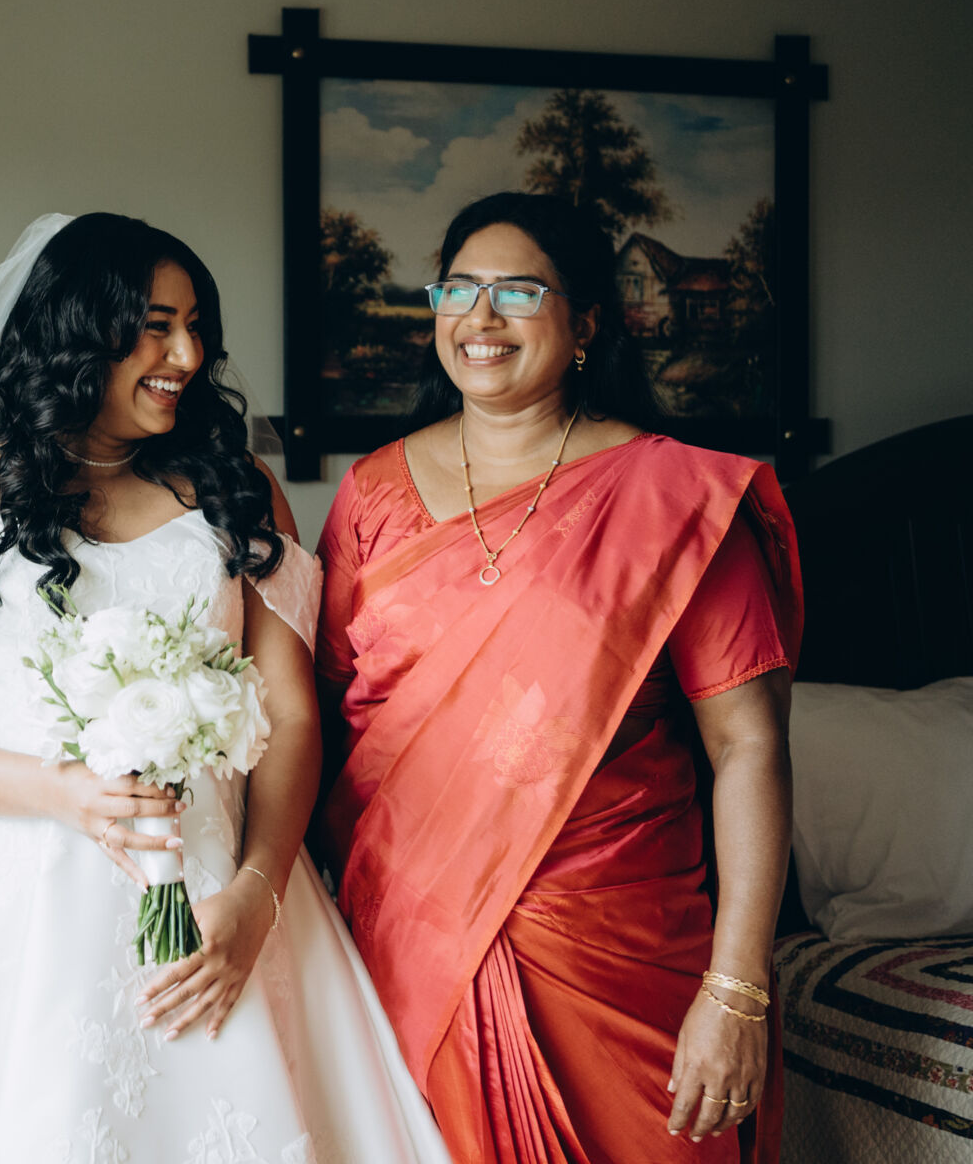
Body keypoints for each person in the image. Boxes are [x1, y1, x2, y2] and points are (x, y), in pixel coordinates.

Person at [0, 213, 450, 1163]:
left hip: (223, 881)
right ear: (75, 332)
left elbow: (291, 714)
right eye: (154, 326)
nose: (186, 356)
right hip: (12, 901)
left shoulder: (238, 491)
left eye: (196, 328)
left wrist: (257, 895)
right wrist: (60, 791)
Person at [314, 192, 801, 1164]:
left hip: (616, 948)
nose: (479, 317)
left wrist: (737, 987)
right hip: (411, 948)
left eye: (517, 291)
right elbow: (321, 725)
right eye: (458, 288)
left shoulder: (675, 499)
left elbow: (749, 746)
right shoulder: (370, 494)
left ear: (586, 323)